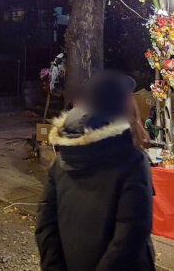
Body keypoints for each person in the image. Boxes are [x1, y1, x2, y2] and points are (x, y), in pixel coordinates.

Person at [35, 71, 155, 271]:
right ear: (124, 106)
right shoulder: (132, 161)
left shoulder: (61, 160)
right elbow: (131, 235)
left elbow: (46, 226)